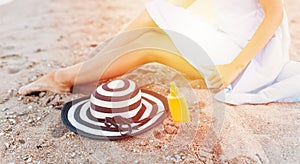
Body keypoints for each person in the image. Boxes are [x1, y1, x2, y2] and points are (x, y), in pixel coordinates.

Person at [19, 0, 300, 105]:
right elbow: (175, 5)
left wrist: (233, 67)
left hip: (252, 59)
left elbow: (275, 14)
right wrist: (112, 47)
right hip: (228, 39)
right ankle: (93, 67)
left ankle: (63, 78)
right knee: (156, 10)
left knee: (152, 41)